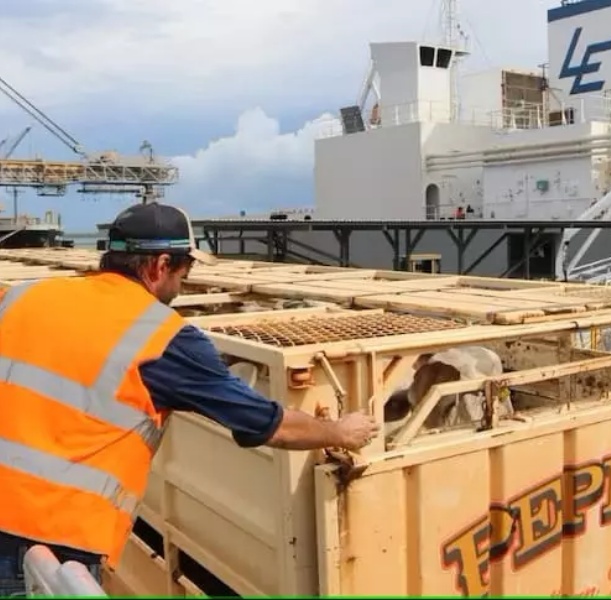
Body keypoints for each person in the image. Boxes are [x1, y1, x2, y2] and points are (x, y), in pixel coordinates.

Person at [0, 202, 379, 596]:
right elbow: (268, 424)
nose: (182, 286)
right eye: (185, 273)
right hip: (47, 543)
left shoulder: (22, 296)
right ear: (160, 266)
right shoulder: (161, 338)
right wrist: (339, 432)